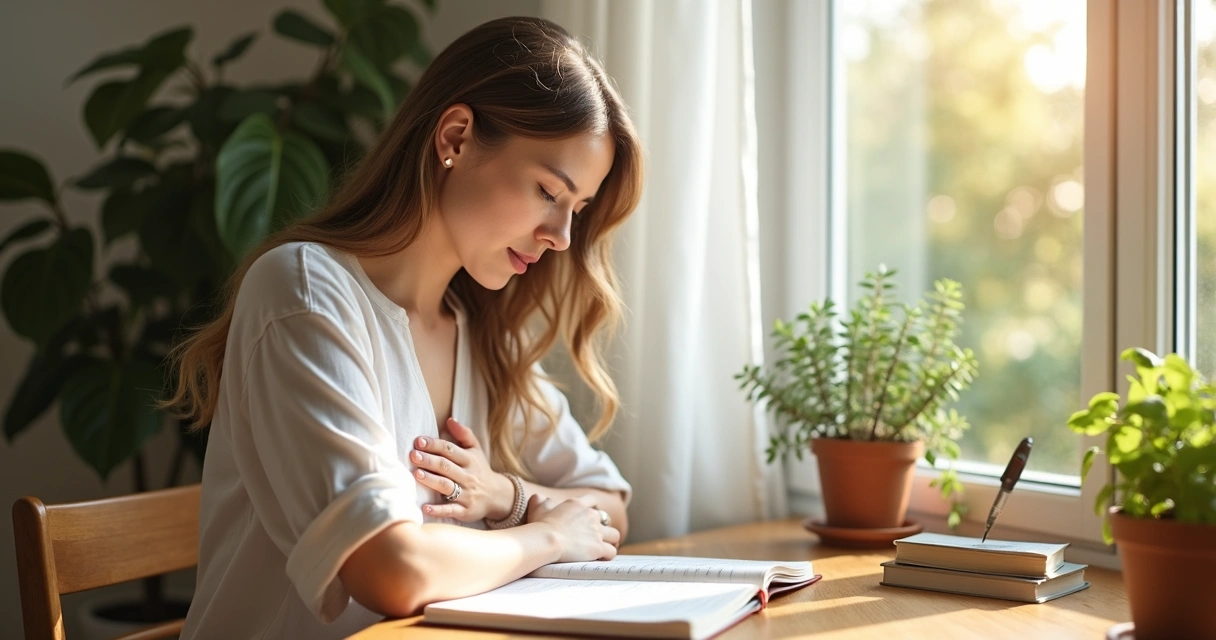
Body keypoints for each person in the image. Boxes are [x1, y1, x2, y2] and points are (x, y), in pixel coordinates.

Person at [168, 16, 643, 639]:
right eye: (547, 191)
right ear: (456, 135)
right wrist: (549, 534)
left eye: (576, 211)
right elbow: (392, 571)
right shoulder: (306, 295)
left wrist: (506, 494)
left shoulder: (477, 330)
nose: (560, 237)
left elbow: (609, 506)